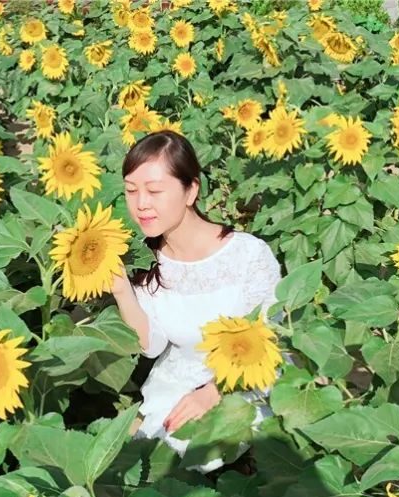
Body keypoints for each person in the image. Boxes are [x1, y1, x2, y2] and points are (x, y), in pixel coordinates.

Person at [109, 131, 289, 474]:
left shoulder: (247, 254)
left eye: (155, 191)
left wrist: (213, 392)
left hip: (247, 382)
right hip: (179, 382)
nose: (141, 203)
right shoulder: (147, 261)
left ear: (191, 190)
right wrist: (121, 290)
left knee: (189, 458)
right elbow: (152, 346)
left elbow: (271, 336)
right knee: (142, 462)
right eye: (131, 191)